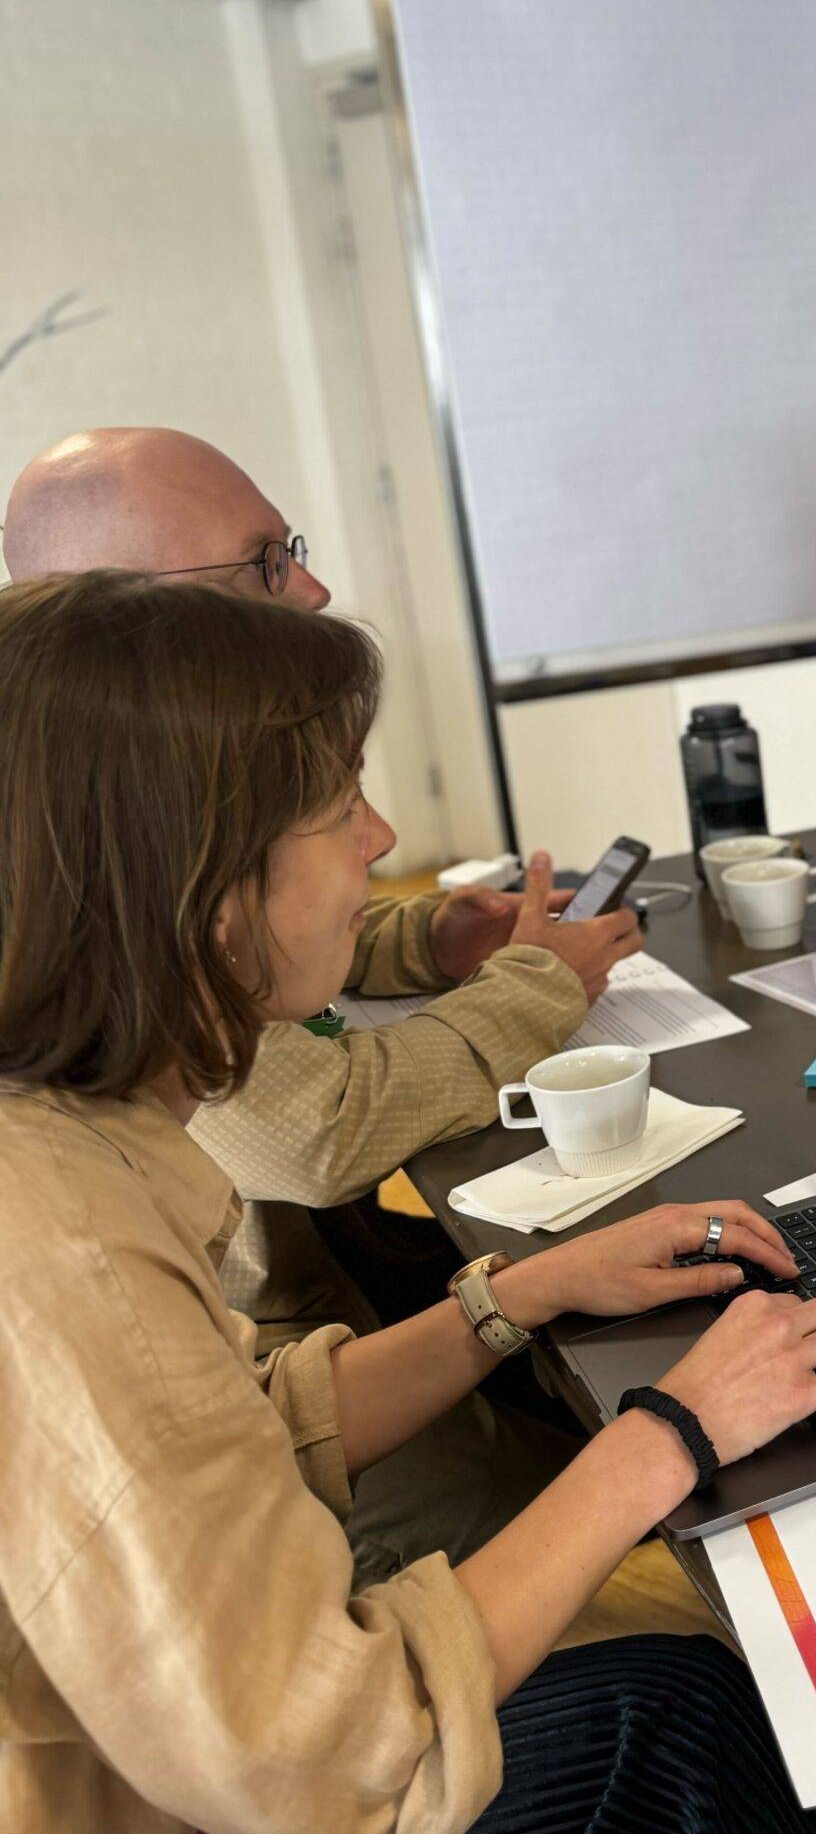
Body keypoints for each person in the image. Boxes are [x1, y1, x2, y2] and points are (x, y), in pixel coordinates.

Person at [0, 573, 816, 1834]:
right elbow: (346, 1743)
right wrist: (669, 1429)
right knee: (664, 1773)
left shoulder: (62, 1145)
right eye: (337, 808)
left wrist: (510, 1299)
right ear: (206, 893)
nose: (382, 839)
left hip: (130, 1817)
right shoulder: (50, 1249)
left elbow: (217, 1449)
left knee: (665, 1741)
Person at [3, 428, 640, 1576]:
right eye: (261, 564)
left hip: (297, 1356)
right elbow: (313, 1127)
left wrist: (414, 935)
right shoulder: (75, 1253)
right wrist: (663, 1450)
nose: (309, 584)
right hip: (295, 1360)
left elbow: (274, 936)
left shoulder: (110, 922)